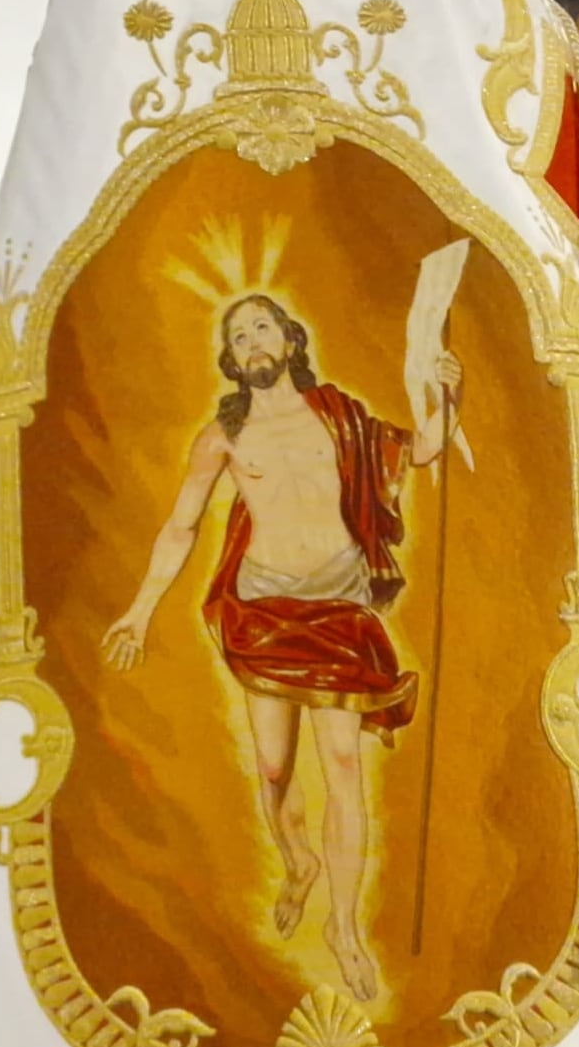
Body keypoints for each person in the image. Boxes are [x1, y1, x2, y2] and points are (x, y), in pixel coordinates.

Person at [103, 290, 458, 1004]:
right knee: (272, 768)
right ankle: (297, 862)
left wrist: (443, 396)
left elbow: (420, 450)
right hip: (265, 612)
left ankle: (345, 929)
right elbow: (180, 527)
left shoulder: (341, 417)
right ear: (232, 362)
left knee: (342, 765)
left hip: (338, 607)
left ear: (290, 341)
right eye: (238, 338)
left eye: (261, 327)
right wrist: (140, 611)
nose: (252, 341)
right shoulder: (223, 436)